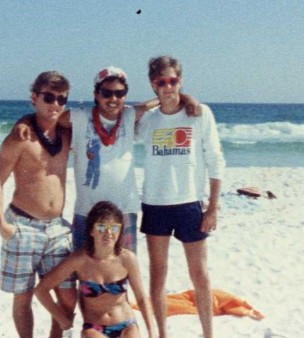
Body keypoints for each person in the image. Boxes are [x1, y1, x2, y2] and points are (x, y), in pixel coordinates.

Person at [13, 66, 201, 253]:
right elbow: (46, 116)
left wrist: (187, 98)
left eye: (119, 94)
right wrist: (24, 121)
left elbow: (160, 100)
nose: (113, 99)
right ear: (96, 94)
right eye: (107, 93)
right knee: (85, 270)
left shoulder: (129, 115)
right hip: (87, 211)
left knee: (122, 269)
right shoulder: (78, 117)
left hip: (124, 210)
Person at [135, 55, 225, 338]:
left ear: (181, 80)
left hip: (189, 204)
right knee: (158, 275)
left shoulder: (200, 114)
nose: (168, 86)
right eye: (161, 82)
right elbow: (125, 118)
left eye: (174, 81)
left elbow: (215, 160)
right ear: (153, 84)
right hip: (155, 204)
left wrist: (212, 207)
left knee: (200, 276)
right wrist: (155, 102)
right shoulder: (147, 121)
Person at [0, 71, 77, 338]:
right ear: (34, 97)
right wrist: (1, 225)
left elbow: (105, 117)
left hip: (57, 229)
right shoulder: (19, 138)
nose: (54, 104)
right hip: (22, 226)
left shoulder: (67, 134)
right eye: (48, 97)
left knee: (67, 294)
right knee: (23, 296)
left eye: (60, 99)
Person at [35, 201, 158, 338]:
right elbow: (41, 289)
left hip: (127, 326)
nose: (108, 233)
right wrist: (61, 319)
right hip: (95, 328)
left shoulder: (127, 259)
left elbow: (142, 298)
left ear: (120, 230)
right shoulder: (79, 260)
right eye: (101, 227)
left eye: (114, 228)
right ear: (92, 230)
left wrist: (152, 337)